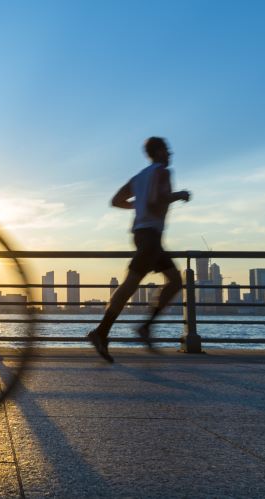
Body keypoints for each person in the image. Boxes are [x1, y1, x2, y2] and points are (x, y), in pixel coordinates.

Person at [87, 137, 190, 362]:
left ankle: (144, 326)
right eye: (167, 150)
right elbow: (157, 201)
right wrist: (179, 195)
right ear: (159, 152)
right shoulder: (163, 171)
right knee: (130, 285)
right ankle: (101, 332)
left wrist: (137, 204)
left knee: (174, 281)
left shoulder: (140, 176)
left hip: (144, 236)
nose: (170, 154)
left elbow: (116, 200)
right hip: (150, 237)